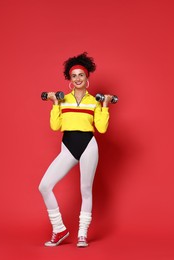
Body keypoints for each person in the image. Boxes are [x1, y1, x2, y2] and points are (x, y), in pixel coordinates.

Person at [38, 52, 114, 248]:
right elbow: (55, 126)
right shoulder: (63, 100)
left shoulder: (94, 101)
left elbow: (102, 128)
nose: (78, 78)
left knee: (85, 190)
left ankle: (82, 234)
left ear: (87, 77)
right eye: (74, 76)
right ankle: (59, 229)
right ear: (69, 79)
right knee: (44, 186)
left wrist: (105, 105)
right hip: (68, 147)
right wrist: (55, 103)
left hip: (89, 145)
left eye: (81, 75)